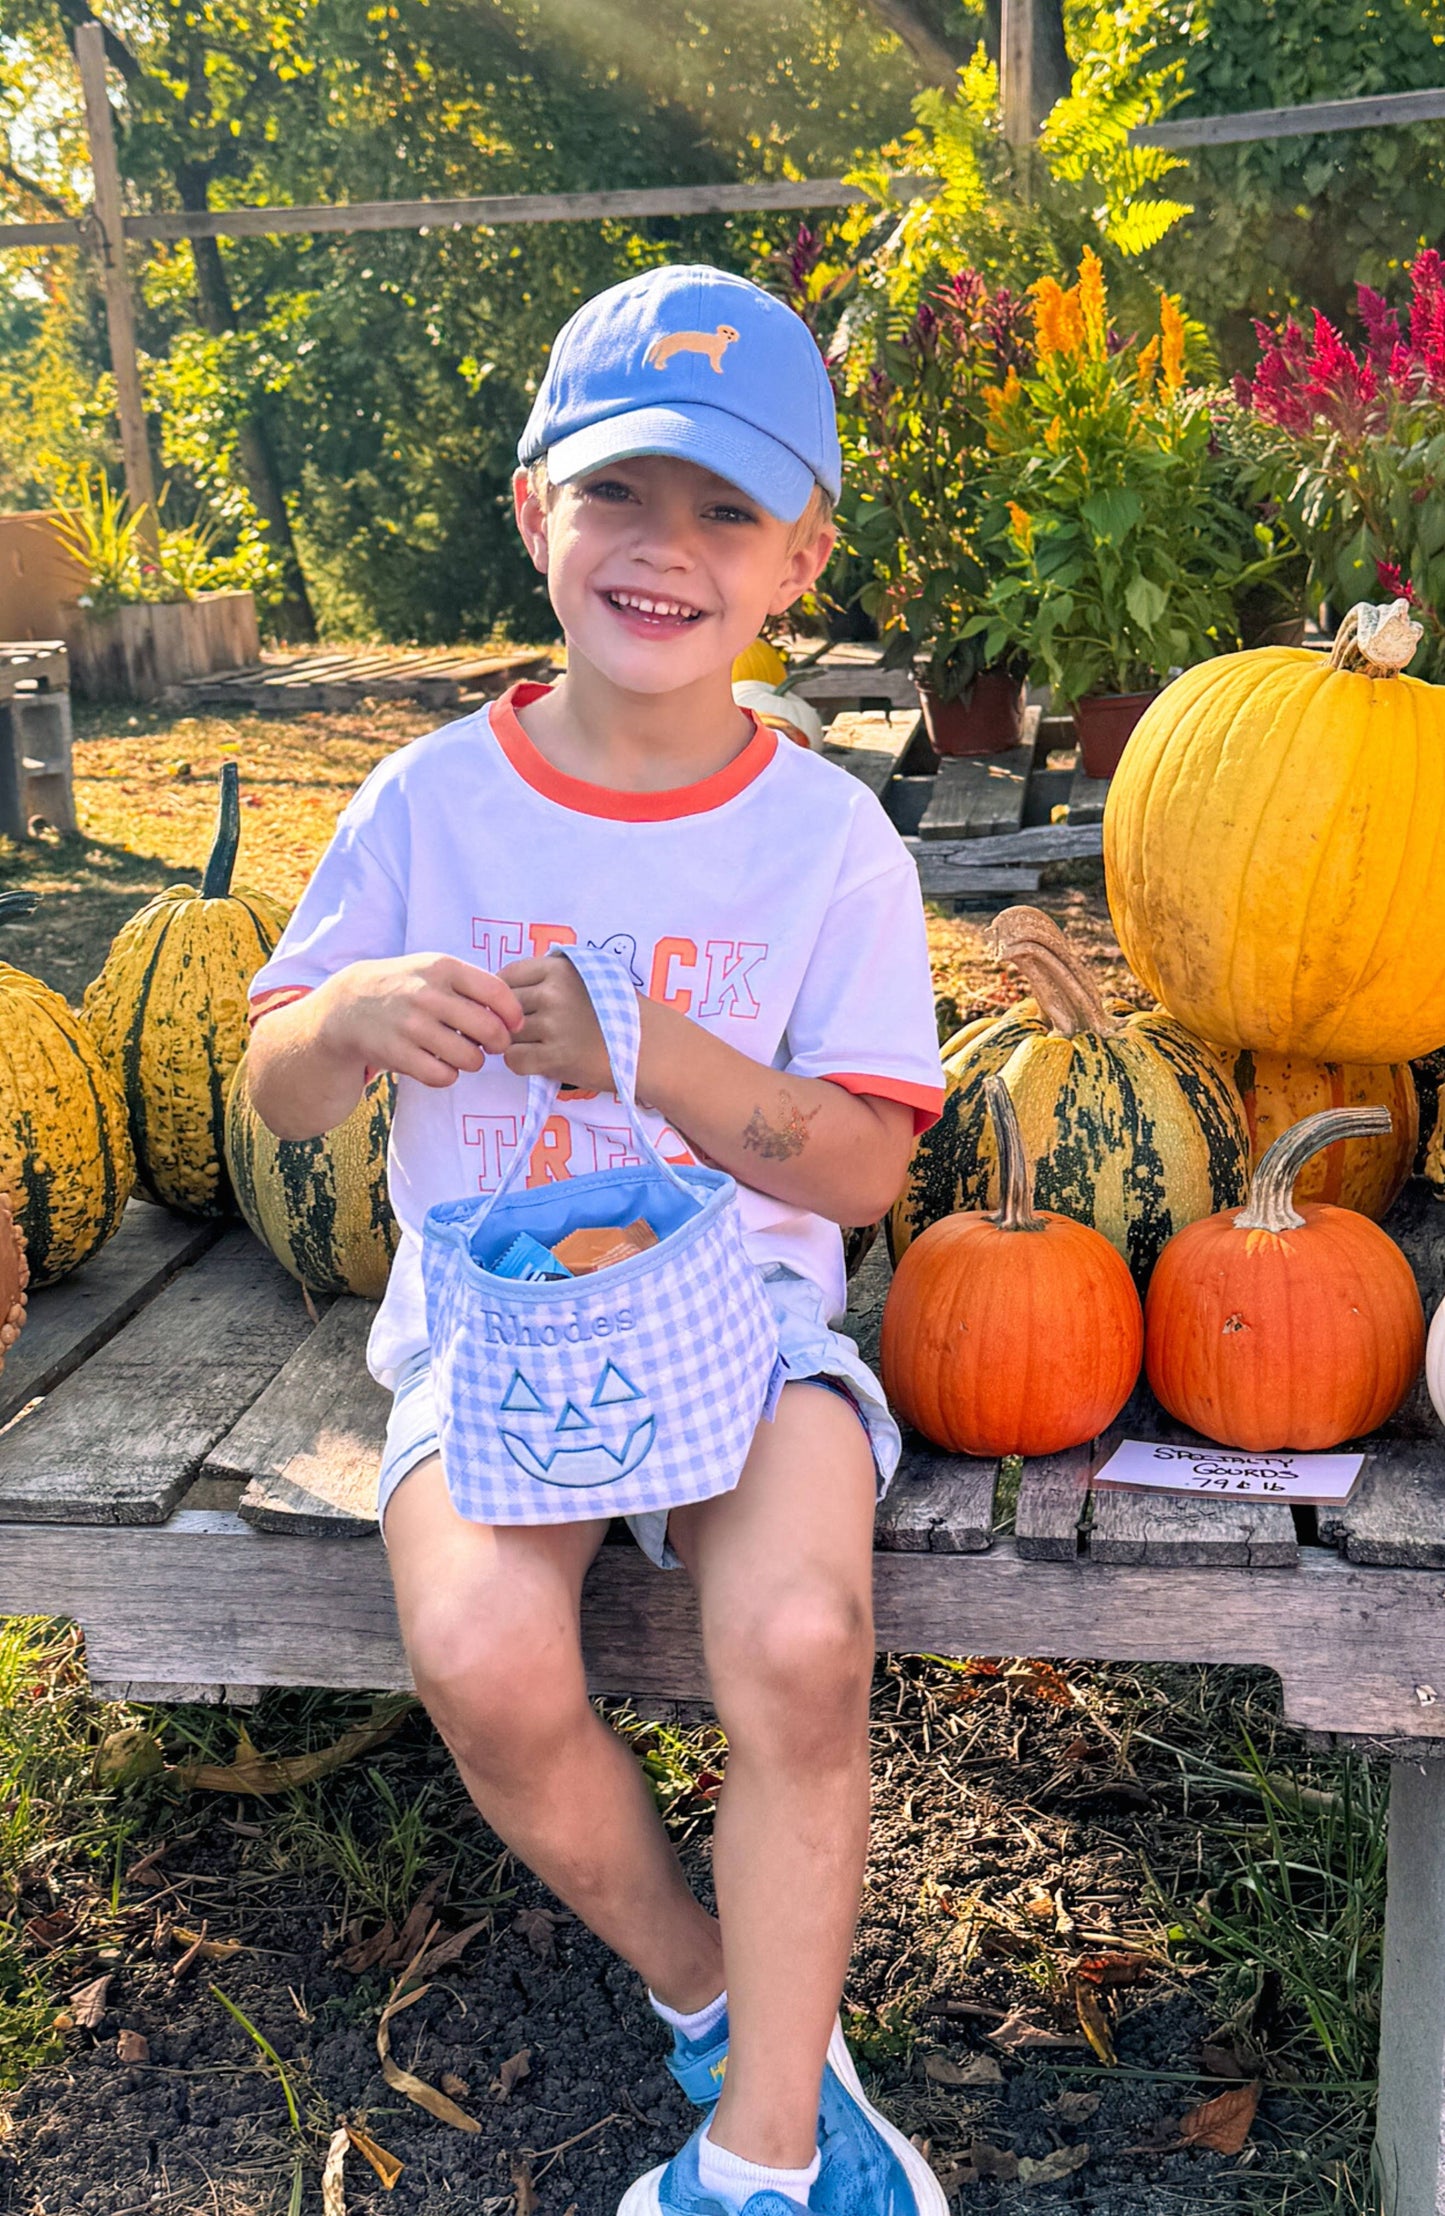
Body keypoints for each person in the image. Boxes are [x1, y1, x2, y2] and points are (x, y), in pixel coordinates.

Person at [245, 263, 946, 2216]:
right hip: (497, 1349)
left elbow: (864, 1177)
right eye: (623, 490)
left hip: (749, 1337)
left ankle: (776, 2157)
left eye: (726, 508)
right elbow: (274, 1094)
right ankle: (727, 1996)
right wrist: (351, 1015)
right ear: (538, 502)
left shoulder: (828, 846)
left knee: (802, 1636)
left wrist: (655, 1050)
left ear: (801, 554)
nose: (667, 548)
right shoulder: (427, 805)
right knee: (480, 1645)